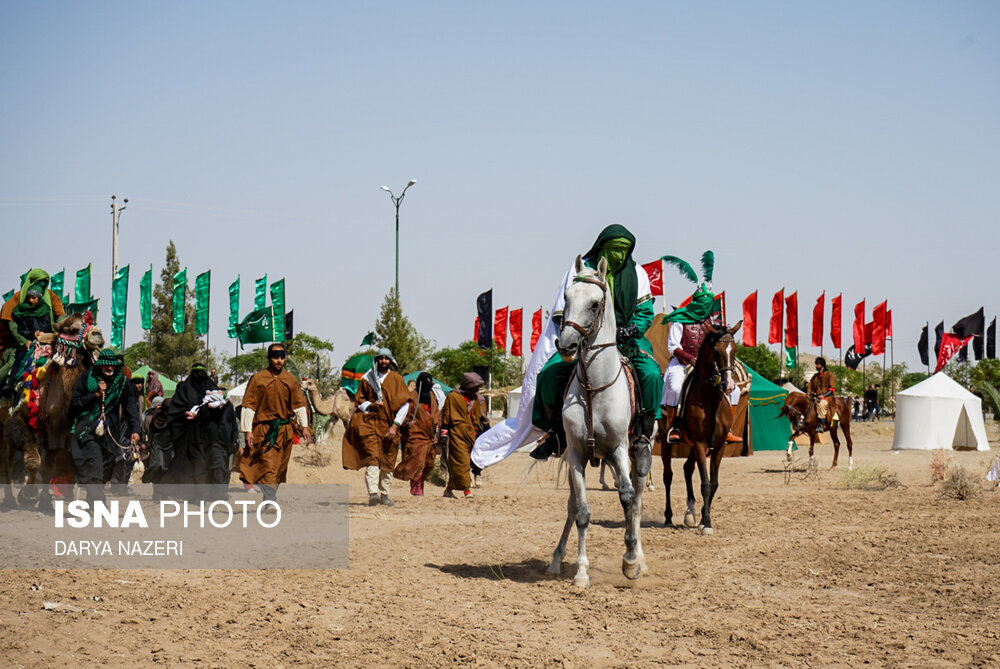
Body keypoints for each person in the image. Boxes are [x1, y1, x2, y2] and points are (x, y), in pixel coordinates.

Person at [529, 225, 662, 464]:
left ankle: (642, 436)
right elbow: (565, 308)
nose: (619, 255)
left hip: (627, 337)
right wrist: (576, 331)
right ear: (601, 246)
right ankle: (555, 433)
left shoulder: (639, 274)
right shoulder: (582, 269)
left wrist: (628, 330)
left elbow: (645, 313)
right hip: (583, 337)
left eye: (624, 250)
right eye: (614, 249)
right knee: (549, 374)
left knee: (651, 375)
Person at [659, 281, 743, 444]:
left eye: (707, 303)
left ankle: (727, 430)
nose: (704, 306)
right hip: (682, 364)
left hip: (707, 367)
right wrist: (690, 359)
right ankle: (673, 425)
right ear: (694, 301)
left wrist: (727, 374)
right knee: (676, 387)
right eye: (701, 302)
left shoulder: (713, 323)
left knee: (735, 391)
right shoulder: (679, 320)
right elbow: (673, 347)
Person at [238, 342, 311, 503]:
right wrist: (247, 430)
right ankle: (270, 500)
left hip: (285, 431)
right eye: (275, 357)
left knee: (278, 468)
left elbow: (299, 406)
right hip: (264, 430)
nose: (278, 360)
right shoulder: (258, 379)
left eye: (282, 357)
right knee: (268, 463)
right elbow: (249, 405)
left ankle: (268, 497)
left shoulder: (290, 379)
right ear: (269, 358)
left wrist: (304, 427)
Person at [69, 348, 141, 502]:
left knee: (105, 467)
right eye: (106, 365)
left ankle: (92, 499)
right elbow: (75, 403)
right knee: (94, 463)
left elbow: (131, 408)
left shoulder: (122, 384)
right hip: (87, 430)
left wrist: (136, 430)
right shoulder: (86, 378)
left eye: (112, 366)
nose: (109, 368)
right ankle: (98, 502)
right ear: (100, 365)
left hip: (110, 433)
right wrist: (95, 394)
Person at [342, 348, 410, 506]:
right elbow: (360, 401)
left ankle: (384, 494)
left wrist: (395, 426)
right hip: (371, 424)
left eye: (386, 359)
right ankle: (373, 493)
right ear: (377, 360)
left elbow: (405, 404)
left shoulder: (397, 380)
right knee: (373, 459)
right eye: (381, 358)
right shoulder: (368, 379)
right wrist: (370, 406)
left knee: (387, 460)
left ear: (390, 361)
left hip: (390, 425)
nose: (384, 361)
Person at [167, 362, 238, 497]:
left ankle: (206, 493)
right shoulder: (206, 390)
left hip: (207, 437)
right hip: (193, 437)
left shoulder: (209, 393)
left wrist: (197, 414)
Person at [0, 269, 65, 392]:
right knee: (15, 360)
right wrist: (25, 340)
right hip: (23, 341)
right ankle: (9, 387)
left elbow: (60, 316)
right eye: (37, 282)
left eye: (43, 283)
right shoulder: (19, 302)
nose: (31, 300)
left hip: (48, 339)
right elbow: (14, 326)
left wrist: (54, 333)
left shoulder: (49, 301)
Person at [393, 372, 441, 496]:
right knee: (417, 462)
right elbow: (403, 413)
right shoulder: (410, 397)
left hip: (429, 435)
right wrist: (408, 424)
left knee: (428, 463)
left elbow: (436, 415)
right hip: (415, 435)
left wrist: (436, 434)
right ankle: (416, 488)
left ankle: (421, 483)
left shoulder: (431, 395)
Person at [441, 372, 487, 499]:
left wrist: (476, 432)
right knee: (463, 462)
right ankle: (467, 490)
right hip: (456, 432)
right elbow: (446, 415)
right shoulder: (453, 397)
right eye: (475, 386)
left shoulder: (475, 398)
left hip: (470, 434)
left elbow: (477, 416)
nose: (477, 389)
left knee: (459, 464)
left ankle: (449, 489)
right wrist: (444, 434)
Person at [807, 357, 837, 432]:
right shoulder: (815, 377)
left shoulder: (830, 375)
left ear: (822, 365)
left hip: (828, 397)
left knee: (822, 404)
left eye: (817, 364)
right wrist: (808, 393)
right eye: (816, 364)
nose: (816, 366)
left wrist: (823, 396)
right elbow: (810, 387)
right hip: (816, 397)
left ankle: (821, 425)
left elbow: (832, 389)